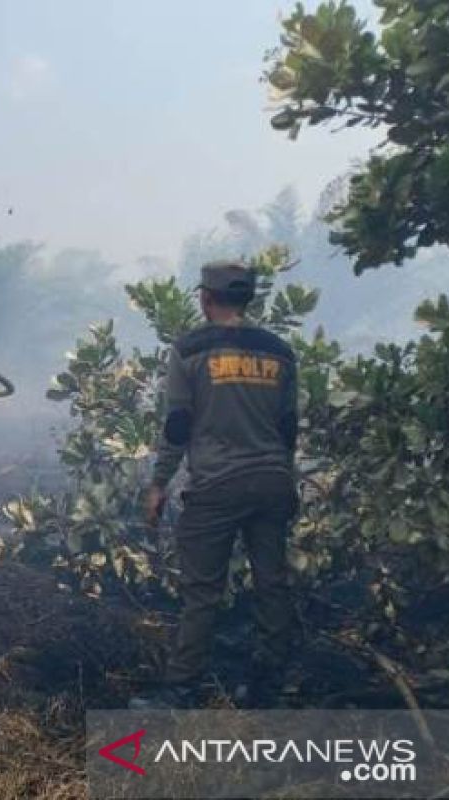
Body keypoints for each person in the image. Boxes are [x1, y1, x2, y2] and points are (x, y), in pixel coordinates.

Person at [130, 262, 300, 710]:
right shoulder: (279, 350)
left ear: (205, 299)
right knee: (272, 584)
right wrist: (281, 475)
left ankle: (181, 689)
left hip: (218, 486)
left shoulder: (189, 349)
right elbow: (288, 427)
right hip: (273, 482)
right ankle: (267, 686)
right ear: (248, 299)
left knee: (202, 590)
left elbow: (179, 424)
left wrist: (158, 482)